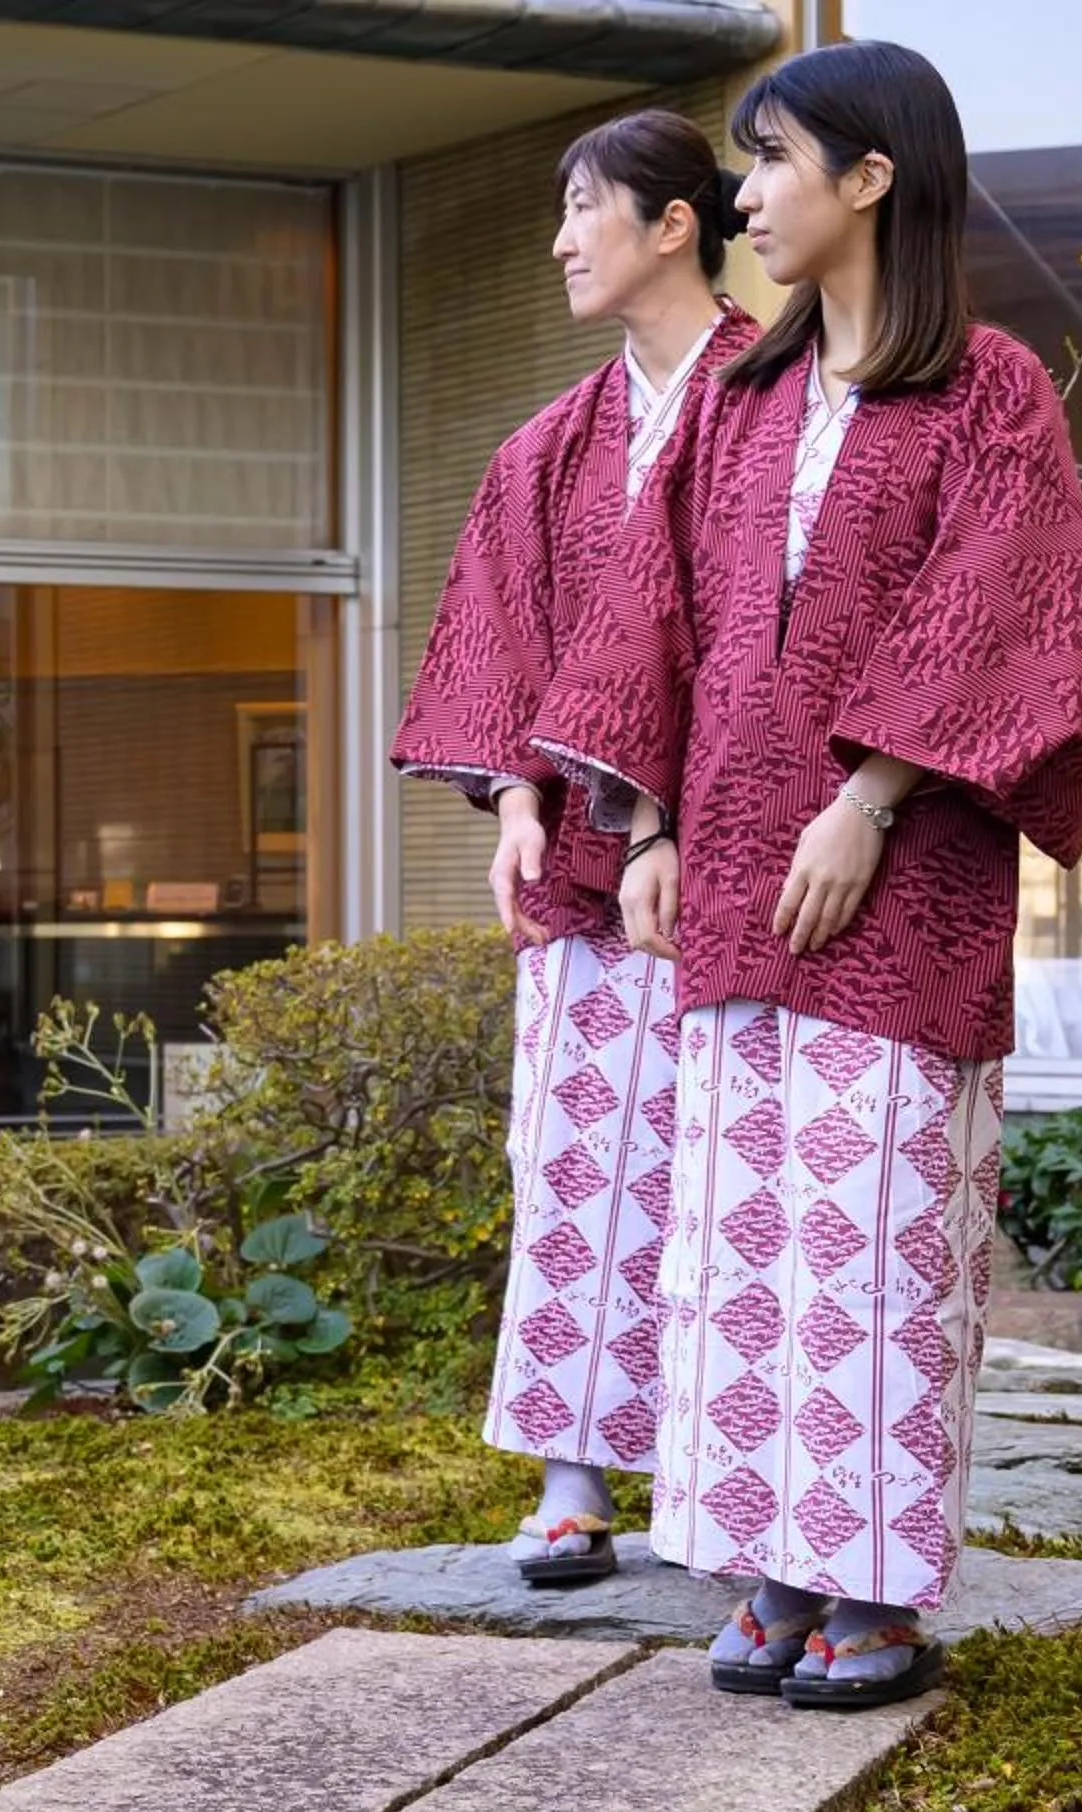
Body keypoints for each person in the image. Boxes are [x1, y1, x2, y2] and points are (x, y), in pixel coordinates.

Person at [532, 40, 1082, 1709]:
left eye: (772, 160)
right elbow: (648, 618)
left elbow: (1012, 615)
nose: (744, 195)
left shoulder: (990, 386)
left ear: (871, 178)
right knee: (741, 1246)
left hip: (905, 896)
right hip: (724, 873)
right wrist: (638, 829)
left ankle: (874, 1588)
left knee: (873, 1242)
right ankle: (773, 1571)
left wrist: (870, 797)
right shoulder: (739, 397)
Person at [392, 109, 755, 1591]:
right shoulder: (549, 447)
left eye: (586, 207)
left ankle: (731, 1485)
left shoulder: (782, 405)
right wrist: (523, 800)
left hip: (748, 866)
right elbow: (502, 631)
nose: (558, 238)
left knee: (732, 1178)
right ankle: (572, 1476)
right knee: (577, 1163)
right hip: (588, 874)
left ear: (675, 222)